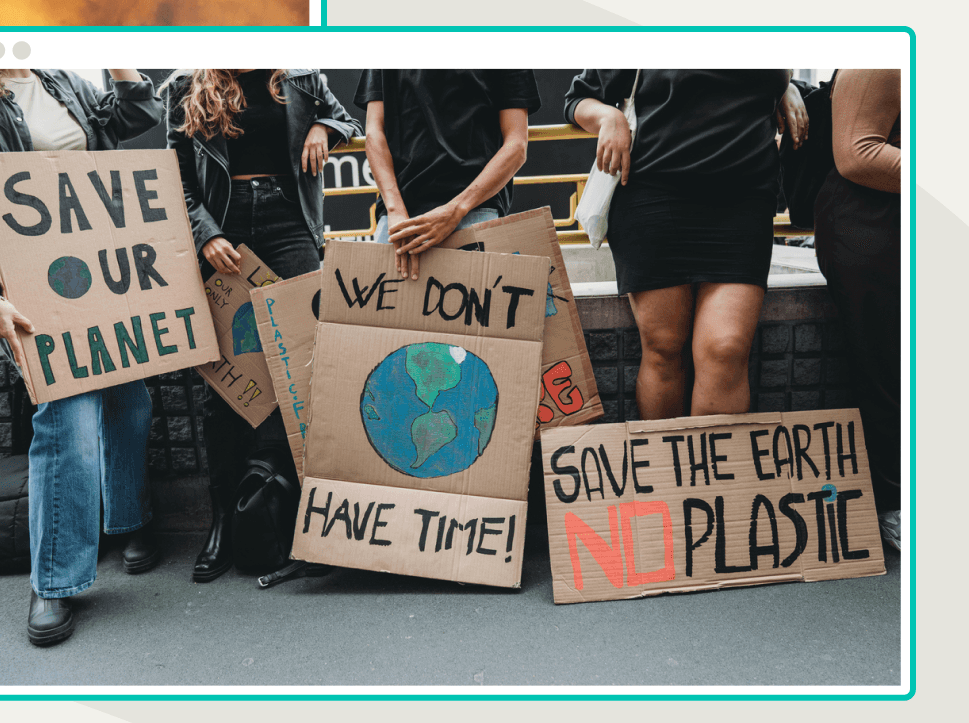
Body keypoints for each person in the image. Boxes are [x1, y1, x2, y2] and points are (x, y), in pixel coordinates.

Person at [0, 67, 162, 647]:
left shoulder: (61, 82)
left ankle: (129, 523)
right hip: (29, 279)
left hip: (102, 266)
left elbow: (138, 117)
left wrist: (122, 61)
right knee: (65, 421)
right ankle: (54, 580)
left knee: (130, 398)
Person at [163, 68, 361, 582]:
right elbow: (174, 177)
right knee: (222, 382)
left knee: (309, 367)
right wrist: (205, 233)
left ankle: (312, 517)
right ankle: (224, 521)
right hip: (223, 232)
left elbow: (348, 120)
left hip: (289, 223)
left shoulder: (300, 76)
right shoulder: (186, 85)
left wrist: (326, 129)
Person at [566, 70, 808, 419]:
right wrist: (609, 116)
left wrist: (788, 87)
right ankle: (666, 471)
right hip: (654, 194)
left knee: (726, 350)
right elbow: (578, 99)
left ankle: (718, 470)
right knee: (664, 349)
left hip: (743, 201)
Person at [815, 68, 902, 550]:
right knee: (888, 372)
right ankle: (895, 506)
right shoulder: (883, 52)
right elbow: (857, 154)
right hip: (873, 227)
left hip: (893, 222)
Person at [354, 70, 540, 279]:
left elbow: (516, 145)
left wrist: (457, 209)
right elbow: (374, 133)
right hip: (400, 217)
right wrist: (395, 209)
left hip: (473, 211)